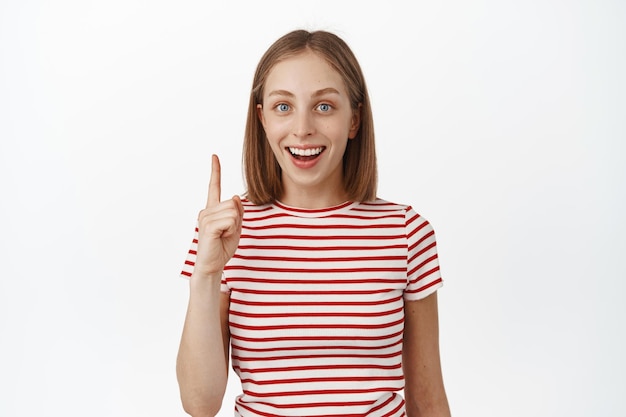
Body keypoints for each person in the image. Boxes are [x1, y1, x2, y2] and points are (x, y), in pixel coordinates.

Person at [176, 29, 451, 417]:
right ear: (262, 120)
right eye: (283, 107)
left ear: (354, 119)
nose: (302, 128)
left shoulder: (406, 232)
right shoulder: (223, 234)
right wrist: (206, 273)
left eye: (323, 107)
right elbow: (198, 403)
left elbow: (428, 398)